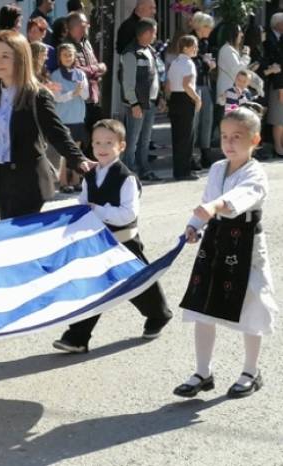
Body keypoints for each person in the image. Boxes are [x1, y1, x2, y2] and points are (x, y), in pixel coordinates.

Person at [173, 104, 277, 399]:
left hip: (245, 242)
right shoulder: (217, 168)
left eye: (237, 137)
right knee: (202, 303)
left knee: (252, 304)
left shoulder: (256, 173)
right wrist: (195, 225)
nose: (229, 143)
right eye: (225, 136)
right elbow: (207, 200)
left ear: (255, 140)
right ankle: (202, 371)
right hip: (216, 239)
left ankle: (250, 370)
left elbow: (237, 199)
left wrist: (215, 207)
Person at [53, 119, 173, 353]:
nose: (102, 148)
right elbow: (83, 203)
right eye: (97, 142)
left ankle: (159, 315)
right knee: (94, 288)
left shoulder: (126, 178)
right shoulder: (90, 174)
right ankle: (77, 337)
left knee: (139, 285)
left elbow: (127, 214)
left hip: (124, 243)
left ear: (122, 146)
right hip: (98, 243)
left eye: (109, 142)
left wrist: (96, 209)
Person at [0, 31, 95, 219]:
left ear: (20, 59)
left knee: (20, 237)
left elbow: (57, 133)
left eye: (5, 56)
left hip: (29, 182)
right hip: (0, 180)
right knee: (10, 233)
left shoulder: (37, 96)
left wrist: (79, 160)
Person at [119, 18, 163, 182]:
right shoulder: (131, 53)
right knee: (132, 139)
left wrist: (160, 97)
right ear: (146, 33)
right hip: (137, 104)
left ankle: (144, 169)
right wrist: (134, 103)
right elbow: (128, 82)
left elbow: (155, 76)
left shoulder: (150, 50)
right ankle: (128, 171)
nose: (155, 36)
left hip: (150, 102)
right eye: (154, 32)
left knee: (145, 139)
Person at [64, 11, 108, 158]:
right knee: (82, 139)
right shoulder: (67, 46)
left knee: (97, 134)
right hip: (78, 100)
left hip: (93, 96)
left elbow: (96, 65)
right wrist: (97, 69)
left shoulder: (86, 43)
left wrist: (96, 69)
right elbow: (75, 71)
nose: (88, 26)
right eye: (84, 24)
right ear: (75, 26)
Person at [50, 43, 89, 193]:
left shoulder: (80, 74)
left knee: (76, 150)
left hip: (78, 116)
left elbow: (86, 95)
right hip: (63, 117)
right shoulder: (55, 75)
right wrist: (72, 93)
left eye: (70, 55)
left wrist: (81, 90)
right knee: (64, 153)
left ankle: (76, 180)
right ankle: (63, 182)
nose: (68, 57)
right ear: (60, 57)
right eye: (64, 55)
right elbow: (57, 98)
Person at [168, 35, 202, 181]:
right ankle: (185, 171)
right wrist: (197, 98)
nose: (196, 49)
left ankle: (178, 170)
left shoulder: (174, 62)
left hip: (174, 99)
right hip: (185, 99)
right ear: (185, 48)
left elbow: (168, 84)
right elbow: (186, 85)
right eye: (194, 46)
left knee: (177, 136)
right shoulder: (188, 63)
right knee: (187, 136)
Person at [189, 12, 216, 168]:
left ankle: (206, 152)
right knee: (195, 121)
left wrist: (210, 64)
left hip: (205, 83)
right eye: (209, 27)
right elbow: (193, 62)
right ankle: (191, 155)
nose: (210, 30)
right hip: (194, 84)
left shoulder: (205, 42)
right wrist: (206, 63)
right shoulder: (191, 40)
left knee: (207, 119)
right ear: (202, 26)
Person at [265, 13, 283, 157]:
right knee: (278, 117)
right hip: (275, 82)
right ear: (278, 23)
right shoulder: (268, 37)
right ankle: (277, 147)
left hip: (279, 80)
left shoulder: (280, 38)